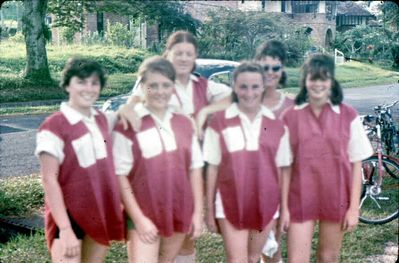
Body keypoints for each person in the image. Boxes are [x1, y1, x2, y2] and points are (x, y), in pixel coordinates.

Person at [119, 30, 232, 262]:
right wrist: (128, 110)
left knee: (186, 233)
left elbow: (237, 96)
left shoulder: (202, 86)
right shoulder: (153, 81)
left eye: (188, 54)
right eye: (177, 52)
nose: (183, 58)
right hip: (152, 171)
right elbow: (133, 105)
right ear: (167, 53)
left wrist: (206, 113)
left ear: (195, 57)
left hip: (188, 165)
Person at [280, 54, 373, 263]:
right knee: (297, 259)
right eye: (313, 78)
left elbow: (355, 163)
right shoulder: (290, 116)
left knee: (328, 257)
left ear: (331, 81)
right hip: (299, 197)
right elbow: (285, 167)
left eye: (324, 78)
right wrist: (284, 208)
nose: (318, 84)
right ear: (305, 81)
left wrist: (353, 209)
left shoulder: (348, 115)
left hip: (336, 196)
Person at [112, 56, 204, 263]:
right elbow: (120, 176)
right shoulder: (129, 124)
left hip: (179, 208)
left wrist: (197, 213)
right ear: (142, 86)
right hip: (144, 211)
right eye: (153, 85)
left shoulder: (185, 123)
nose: (160, 91)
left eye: (166, 85)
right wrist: (139, 219)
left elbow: (195, 170)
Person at [35, 58, 125, 262]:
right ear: (67, 85)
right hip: (68, 216)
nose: (89, 88)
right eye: (81, 82)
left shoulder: (102, 119)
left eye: (94, 83)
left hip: (99, 211)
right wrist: (65, 229)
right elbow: (49, 180)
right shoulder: (54, 126)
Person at [204, 62, 292, 263]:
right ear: (234, 87)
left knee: (253, 258)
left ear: (263, 87)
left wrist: (285, 208)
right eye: (243, 86)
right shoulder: (219, 121)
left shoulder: (277, 124)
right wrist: (209, 210)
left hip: (267, 201)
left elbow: (283, 169)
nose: (249, 93)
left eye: (255, 86)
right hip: (229, 201)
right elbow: (212, 168)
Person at [255, 40, 294, 263]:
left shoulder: (291, 105)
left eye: (275, 68)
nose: (270, 73)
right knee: (253, 247)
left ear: (282, 70)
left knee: (273, 247)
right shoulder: (244, 99)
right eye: (264, 67)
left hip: (281, 184)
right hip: (249, 184)